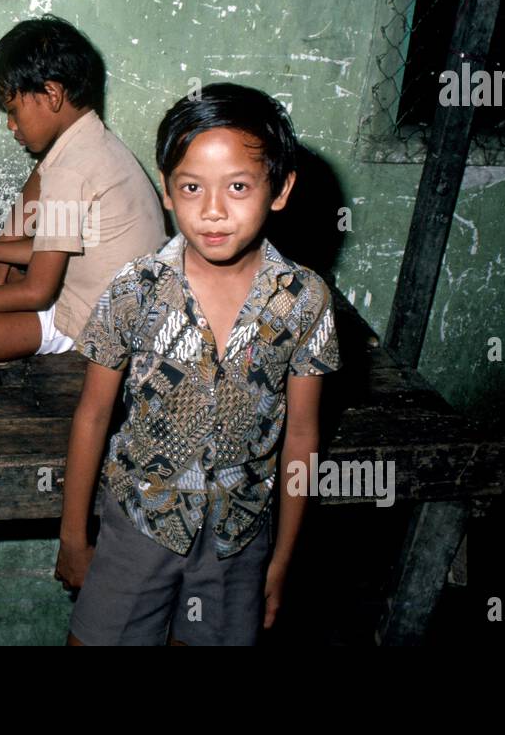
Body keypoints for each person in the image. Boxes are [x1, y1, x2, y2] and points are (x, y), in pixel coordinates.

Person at [54, 83, 341, 645]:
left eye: (238, 186)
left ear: (280, 189)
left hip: (240, 538)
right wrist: (72, 536)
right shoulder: (135, 290)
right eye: (191, 187)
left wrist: (280, 563)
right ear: (166, 190)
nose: (213, 211)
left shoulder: (304, 300)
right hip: (139, 523)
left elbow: (302, 436)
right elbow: (92, 415)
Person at [0, 14, 167, 364]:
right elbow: (64, 245)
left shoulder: (71, 170)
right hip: (112, 299)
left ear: (51, 94)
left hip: (93, 323)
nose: (11, 124)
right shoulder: (89, 144)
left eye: (12, 110)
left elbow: (38, 292)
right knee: (45, 168)